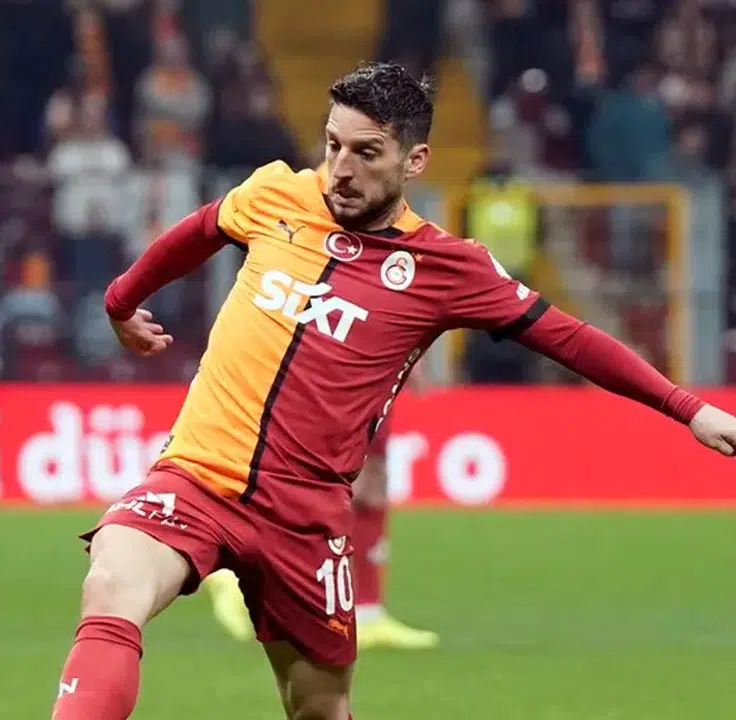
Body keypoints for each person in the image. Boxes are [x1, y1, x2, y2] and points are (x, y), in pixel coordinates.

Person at [49, 61, 736, 720]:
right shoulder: (276, 194)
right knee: (111, 584)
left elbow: (569, 338)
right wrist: (121, 300)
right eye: (333, 146)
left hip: (305, 520)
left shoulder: (448, 267)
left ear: (414, 160)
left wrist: (688, 408)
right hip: (197, 477)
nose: (341, 169)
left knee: (320, 708)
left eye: (366, 152)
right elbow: (202, 229)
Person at [202, 364, 439, 650]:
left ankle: (367, 611)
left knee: (371, 482)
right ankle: (239, 571)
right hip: (346, 364)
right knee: (344, 481)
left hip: (373, 368)